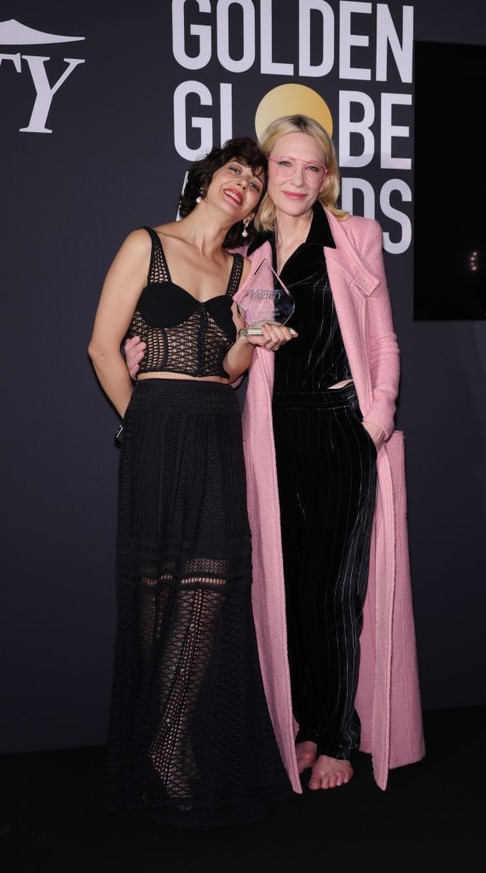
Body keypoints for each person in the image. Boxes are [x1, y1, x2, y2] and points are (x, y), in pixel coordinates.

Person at [126, 115, 425, 794]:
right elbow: (230, 362)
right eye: (283, 166)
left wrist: (373, 422)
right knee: (288, 586)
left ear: (327, 176)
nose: (296, 179)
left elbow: (383, 341)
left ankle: (341, 737)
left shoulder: (355, 237)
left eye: (310, 167)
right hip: (271, 436)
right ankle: (306, 721)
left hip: (341, 428)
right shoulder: (246, 254)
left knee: (339, 590)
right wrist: (143, 355)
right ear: (267, 175)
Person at [88, 136, 297, 829]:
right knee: (154, 601)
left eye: (255, 180)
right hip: (155, 428)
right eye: (235, 169)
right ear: (207, 179)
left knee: (206, 595)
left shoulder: (243, 270)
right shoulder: (144, 243)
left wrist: (256, 337)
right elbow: (102, 346)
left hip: (214, 431)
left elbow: (231, 367)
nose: (244, 183)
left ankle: (170, 745)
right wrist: (136, 419)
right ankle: (152, 738)